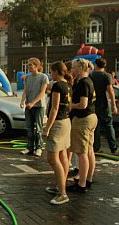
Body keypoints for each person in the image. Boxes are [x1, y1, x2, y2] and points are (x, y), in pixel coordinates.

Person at [43, 62, 72, 205]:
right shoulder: (67, 84)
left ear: (56, 72)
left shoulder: (57, 85)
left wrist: (47, 128)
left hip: (58, 123)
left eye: (51, 72)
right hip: (66, 122)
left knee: (53, 159)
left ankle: (62, 193)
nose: (50, 74)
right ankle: (61, 186)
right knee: (63, 156)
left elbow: (54, 108)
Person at [67, 58, 97, 193]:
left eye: (73, 68)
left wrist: (71, 106)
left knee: (81, 153)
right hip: (92, 117)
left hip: (83, 119)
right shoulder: (89, 81)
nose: (72, 70)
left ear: (80, 68)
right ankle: (88, 179)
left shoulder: (83, 83)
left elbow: (83, 104)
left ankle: (82, 184)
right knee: (89, 151)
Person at [20, 57, 49, 157]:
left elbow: (42, 93)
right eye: (28, 65)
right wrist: (22, 101)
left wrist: (33, 103)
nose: (28, 67)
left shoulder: (43, 77)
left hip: (39, 106)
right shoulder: (27, 78)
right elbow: (25, 91)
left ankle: (39, 147)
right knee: (29, 128)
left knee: (38, 128)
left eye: (30, 65)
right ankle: (30, 147)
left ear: (36, 65)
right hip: (29, 106)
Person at [90, 58, 118, 154]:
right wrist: (114, 105)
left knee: (96, 127)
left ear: (96, 65)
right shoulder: (107, 76)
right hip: (105, 104)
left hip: (94, 104)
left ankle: (96, 148)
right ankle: (113, 147)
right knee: (109, 126)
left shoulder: (91, 75)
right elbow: (110, 91)